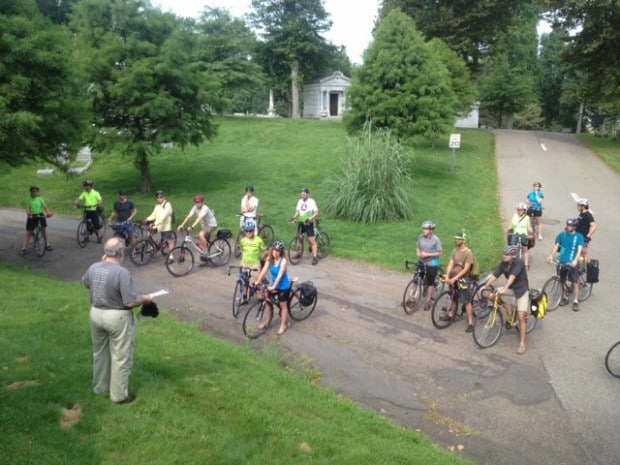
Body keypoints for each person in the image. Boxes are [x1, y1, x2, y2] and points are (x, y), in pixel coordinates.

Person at [82, 237, 154, 404]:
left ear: (105, 251)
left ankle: (99, 388)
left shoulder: (94, 267)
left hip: (96, 313)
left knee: (100, 353)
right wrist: (145, 299)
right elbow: (129, 302)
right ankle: (119, 396)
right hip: (117, 317)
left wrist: (101, 265)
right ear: (121, 252)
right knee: (121, 357)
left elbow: (85, 282)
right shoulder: (122, 273)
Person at [482, 245, 530, 354]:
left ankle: (522, 343)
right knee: (491, 296)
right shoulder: (503, 264)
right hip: (511, 289)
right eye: (503, 254)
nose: (504, 256)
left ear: (513, 256)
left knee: (521, 316)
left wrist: (504, 288)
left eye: (506, 254)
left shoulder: (519, 262)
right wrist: (486, 285)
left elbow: (512, 276)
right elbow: (495, 275)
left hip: (521, 291)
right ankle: (507, 306)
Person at [253, 241, 292, 336]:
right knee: (268, 302)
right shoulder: (269, 260)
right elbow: (263, 271)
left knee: (283, 305)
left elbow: (280, 275)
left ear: (281, 252)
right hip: (273, 285)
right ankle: (267, 322)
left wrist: (274, 286)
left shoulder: (283, 261)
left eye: (278, 251)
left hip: (283, 286)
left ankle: (283, 325)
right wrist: (258, 280)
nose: (275, 252)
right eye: (274, 250)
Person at [441, 231, 476, 332]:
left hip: (464, 278)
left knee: (466, 301)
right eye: (456, 239)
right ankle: (451, 315)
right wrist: (447, 276)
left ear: (464, 240)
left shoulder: (469, 253)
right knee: (453, 297)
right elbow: (451, 264)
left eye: (459, 239)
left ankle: (470, 322)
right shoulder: (454, 251)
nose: (457, 240)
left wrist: (455, 278)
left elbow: (466, 269)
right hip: (453, 277)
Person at [547, 218, 584, 312]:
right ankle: (565, 297)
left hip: (572, 262)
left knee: (575, 282)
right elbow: (556, 246)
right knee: (562, 280)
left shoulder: (579, 237)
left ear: (575, 227)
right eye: (568, 225)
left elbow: (579, 249)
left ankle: (575, 301)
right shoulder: (562, 235)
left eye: (570, 225)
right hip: (562, 261)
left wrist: (575, 260)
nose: (568, 227)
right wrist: (551, 256)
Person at [416, 220, 443, 311]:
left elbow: (440, 253)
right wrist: (418, 253)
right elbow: (418, 247)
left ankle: (428, 301)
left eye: (426, 229)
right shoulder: (421, 237)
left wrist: (427, 254)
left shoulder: (436, 240)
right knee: (416, 279)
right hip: (422, 262)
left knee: (430, 283)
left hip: (432, 263)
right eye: (423, 228)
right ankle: (411, 298)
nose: (424, 230)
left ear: (431, 230)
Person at [238, 220, 266, 303]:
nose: (248, 233)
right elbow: (241, 249)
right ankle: (244, 297)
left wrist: (261, 258)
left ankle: (260, 296)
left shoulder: (259, 240)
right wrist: (244, 257)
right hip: (245, 263)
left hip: (254, 264)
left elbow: (265, 250)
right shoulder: (243, 241)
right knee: (244, 280)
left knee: (256, 281)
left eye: (250, 231)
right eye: (246, 231)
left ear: (253, 231)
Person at [290, 187, 320, 265]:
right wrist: (294, 217)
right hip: (301, 223)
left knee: (312, 241)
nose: (302, 195)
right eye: (301, 194)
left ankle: (315, 257)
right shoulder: (299, 201)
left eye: (304, 194)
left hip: (308, 223)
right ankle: (300, 253)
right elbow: (297, 211)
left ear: (308, 194)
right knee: (300, 238)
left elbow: (316, 213)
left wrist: (309, 219)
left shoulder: (311, 201)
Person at [21, 186, 54, 255]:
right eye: (33, 191)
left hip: (40, 215)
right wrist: (28, 214)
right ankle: (24, 248)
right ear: (31, 192)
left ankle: (47, 245)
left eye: (36, 191)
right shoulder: (28, 199)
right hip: (32, 216)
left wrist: (48, 213)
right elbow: (27, 208)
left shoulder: (40, 199)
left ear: (38, 192)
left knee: (44, 231)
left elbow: (45, 207)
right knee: (29, 233)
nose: (35, 192)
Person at [144, 190, 175, 259]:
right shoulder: (157, 206)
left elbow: (164, 216)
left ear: (164, 197)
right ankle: (153, 249)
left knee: (169, 241)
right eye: (157, 197)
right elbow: (153, 215)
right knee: (148, 234)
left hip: (165, 226)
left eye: (161, 197)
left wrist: (155, 223)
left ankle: (171, 257)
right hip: (158, 225)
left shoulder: (167, 204)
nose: (159, 198)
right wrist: (146, 219)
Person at [505, 202, 533, 270]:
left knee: (525, 250)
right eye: (518, 209)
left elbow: (529, 227)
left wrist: (532, 232)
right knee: (512, 250)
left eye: (521, 210)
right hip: (515, 234)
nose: (520, 211)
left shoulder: (527, 217)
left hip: (523, 235)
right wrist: (508, 229)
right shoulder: (514, 215)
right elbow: (511, 224)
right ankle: (511, 264)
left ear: (524, 210)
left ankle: (526, 265)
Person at [575, 198, 597, 263]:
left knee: (584, 254)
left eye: (579, 206)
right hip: (578, 236)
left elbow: (594, 226)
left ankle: (587, 268)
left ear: (583, 206)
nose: (577, 207)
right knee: (579, 252)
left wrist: (588, 236)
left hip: (583, 237)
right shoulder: (582, 214)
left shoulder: (588, 215)